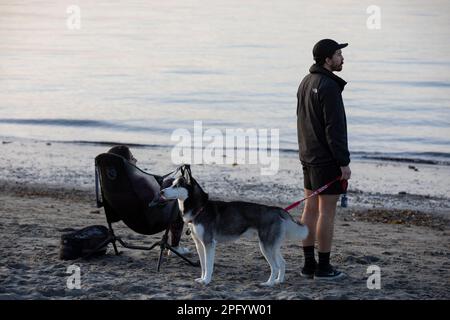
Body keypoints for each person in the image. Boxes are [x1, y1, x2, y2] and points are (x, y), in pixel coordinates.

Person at [296, 39, 351, 280]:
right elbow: (334, 129)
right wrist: (343, 162)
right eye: (338, 54)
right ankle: (324, 268)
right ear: (327, 60)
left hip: (308, 156)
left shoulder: (306, 81)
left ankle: (309, 265)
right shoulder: (328, 85)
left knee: (310, 209)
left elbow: (302, 121)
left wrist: (305, 153)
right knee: (326, 213)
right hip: (326, 160)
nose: (342, 58)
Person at [107, 145, 190, 256]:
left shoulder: (111, 186)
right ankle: (174, 248)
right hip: (149, 222)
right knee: (175, 194)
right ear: (125, 164)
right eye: (132, 158)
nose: (136, 160)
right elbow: (155, 202)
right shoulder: (139, 181)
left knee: (168, 182)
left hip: (129, 219)